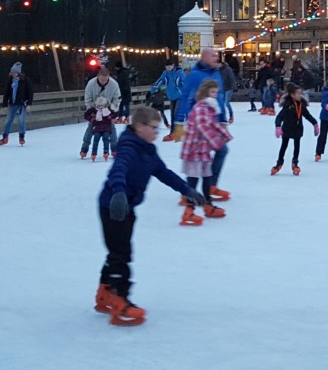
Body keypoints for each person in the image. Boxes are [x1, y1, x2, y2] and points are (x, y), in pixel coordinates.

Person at [94, 106, 215, 325]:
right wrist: (119, 194)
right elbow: (117, 171)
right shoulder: (129, 147)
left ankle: (105, 294)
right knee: (121, 253)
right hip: (113, 206)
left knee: (117, 250)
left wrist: (187, 190)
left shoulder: (148, 149)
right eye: (153, 128)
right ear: (139, 127)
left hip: (127, 206)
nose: (156, 133)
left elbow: (163, 173)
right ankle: (120, 300)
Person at [177, 47, 232, 201]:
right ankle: (192, 192)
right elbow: (186, 96)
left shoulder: (216, 73)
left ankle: (205, 187)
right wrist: (180, 123)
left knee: (211, 155)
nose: (216, 58)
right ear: (204, 58)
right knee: (201, 158)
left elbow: (219, 98)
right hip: (199, 123)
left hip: (213, 120)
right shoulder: (195, 75)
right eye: (213, 56)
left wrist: (223, 119)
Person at [177, 78, 232, 225]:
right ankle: (189, 211)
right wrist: (217, 142)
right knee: (193, 181)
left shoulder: (210, 108)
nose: (215, 94)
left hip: (203, 150)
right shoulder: (201, 107)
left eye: (216, 92)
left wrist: (225, 136)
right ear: (205, 92)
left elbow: (214, 125)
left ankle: (208, 205)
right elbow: (203, 127)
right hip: (195, 149)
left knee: (207, 178)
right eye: (212, 91)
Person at [273, 82, 318, 175]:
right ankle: (279, 163)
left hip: (298, 129)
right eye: (298, 94)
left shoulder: (301, 105)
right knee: (283, 147)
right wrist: (278, 126)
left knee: (297, 147)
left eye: (300, 93)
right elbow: (279, 117)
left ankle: (295, 163)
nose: (300, 95)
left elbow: (307, 115)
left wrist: (315, 124)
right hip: (287, 129)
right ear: (292, 95)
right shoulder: (287, 105)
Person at [79, 65, 121, 159]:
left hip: (107, 112)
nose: (103, 82)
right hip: (95, 110)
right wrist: (91, 112)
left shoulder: (114, 84)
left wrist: (112, 112)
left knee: (111, 130)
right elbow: (88, 99)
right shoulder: (91, 84)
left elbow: (117, 99)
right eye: (102, 80)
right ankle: (84, 149)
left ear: (108, 77)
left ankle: (114, 149)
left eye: (105, 80)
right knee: (90, 129)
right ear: (98, 76)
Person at [0, 62, 34, 147]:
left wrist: (29, 104)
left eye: (14, 73)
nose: (12, 74)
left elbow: (30, 92)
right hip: (12, 104)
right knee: (8, 121)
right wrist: (5, 105)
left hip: (22, 104)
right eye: (11, 73)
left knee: (21, 120)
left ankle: (21, 136)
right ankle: (5, 137)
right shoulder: (10, 81)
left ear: (18, 73)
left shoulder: (25, 80)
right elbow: (6, 93)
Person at [85, 96, 116, 161]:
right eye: (99, 105)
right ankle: (93, 153)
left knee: (106, 140)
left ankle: (106, 152)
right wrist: (91, 119)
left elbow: (115, 113)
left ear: (105, 104)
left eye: (102, 105)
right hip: (97, 128)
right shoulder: (94, 110)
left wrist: (111, 116)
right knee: (95, 140)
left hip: (106, 128)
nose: (100, 107)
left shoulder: (108, 110)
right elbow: (86, 114)